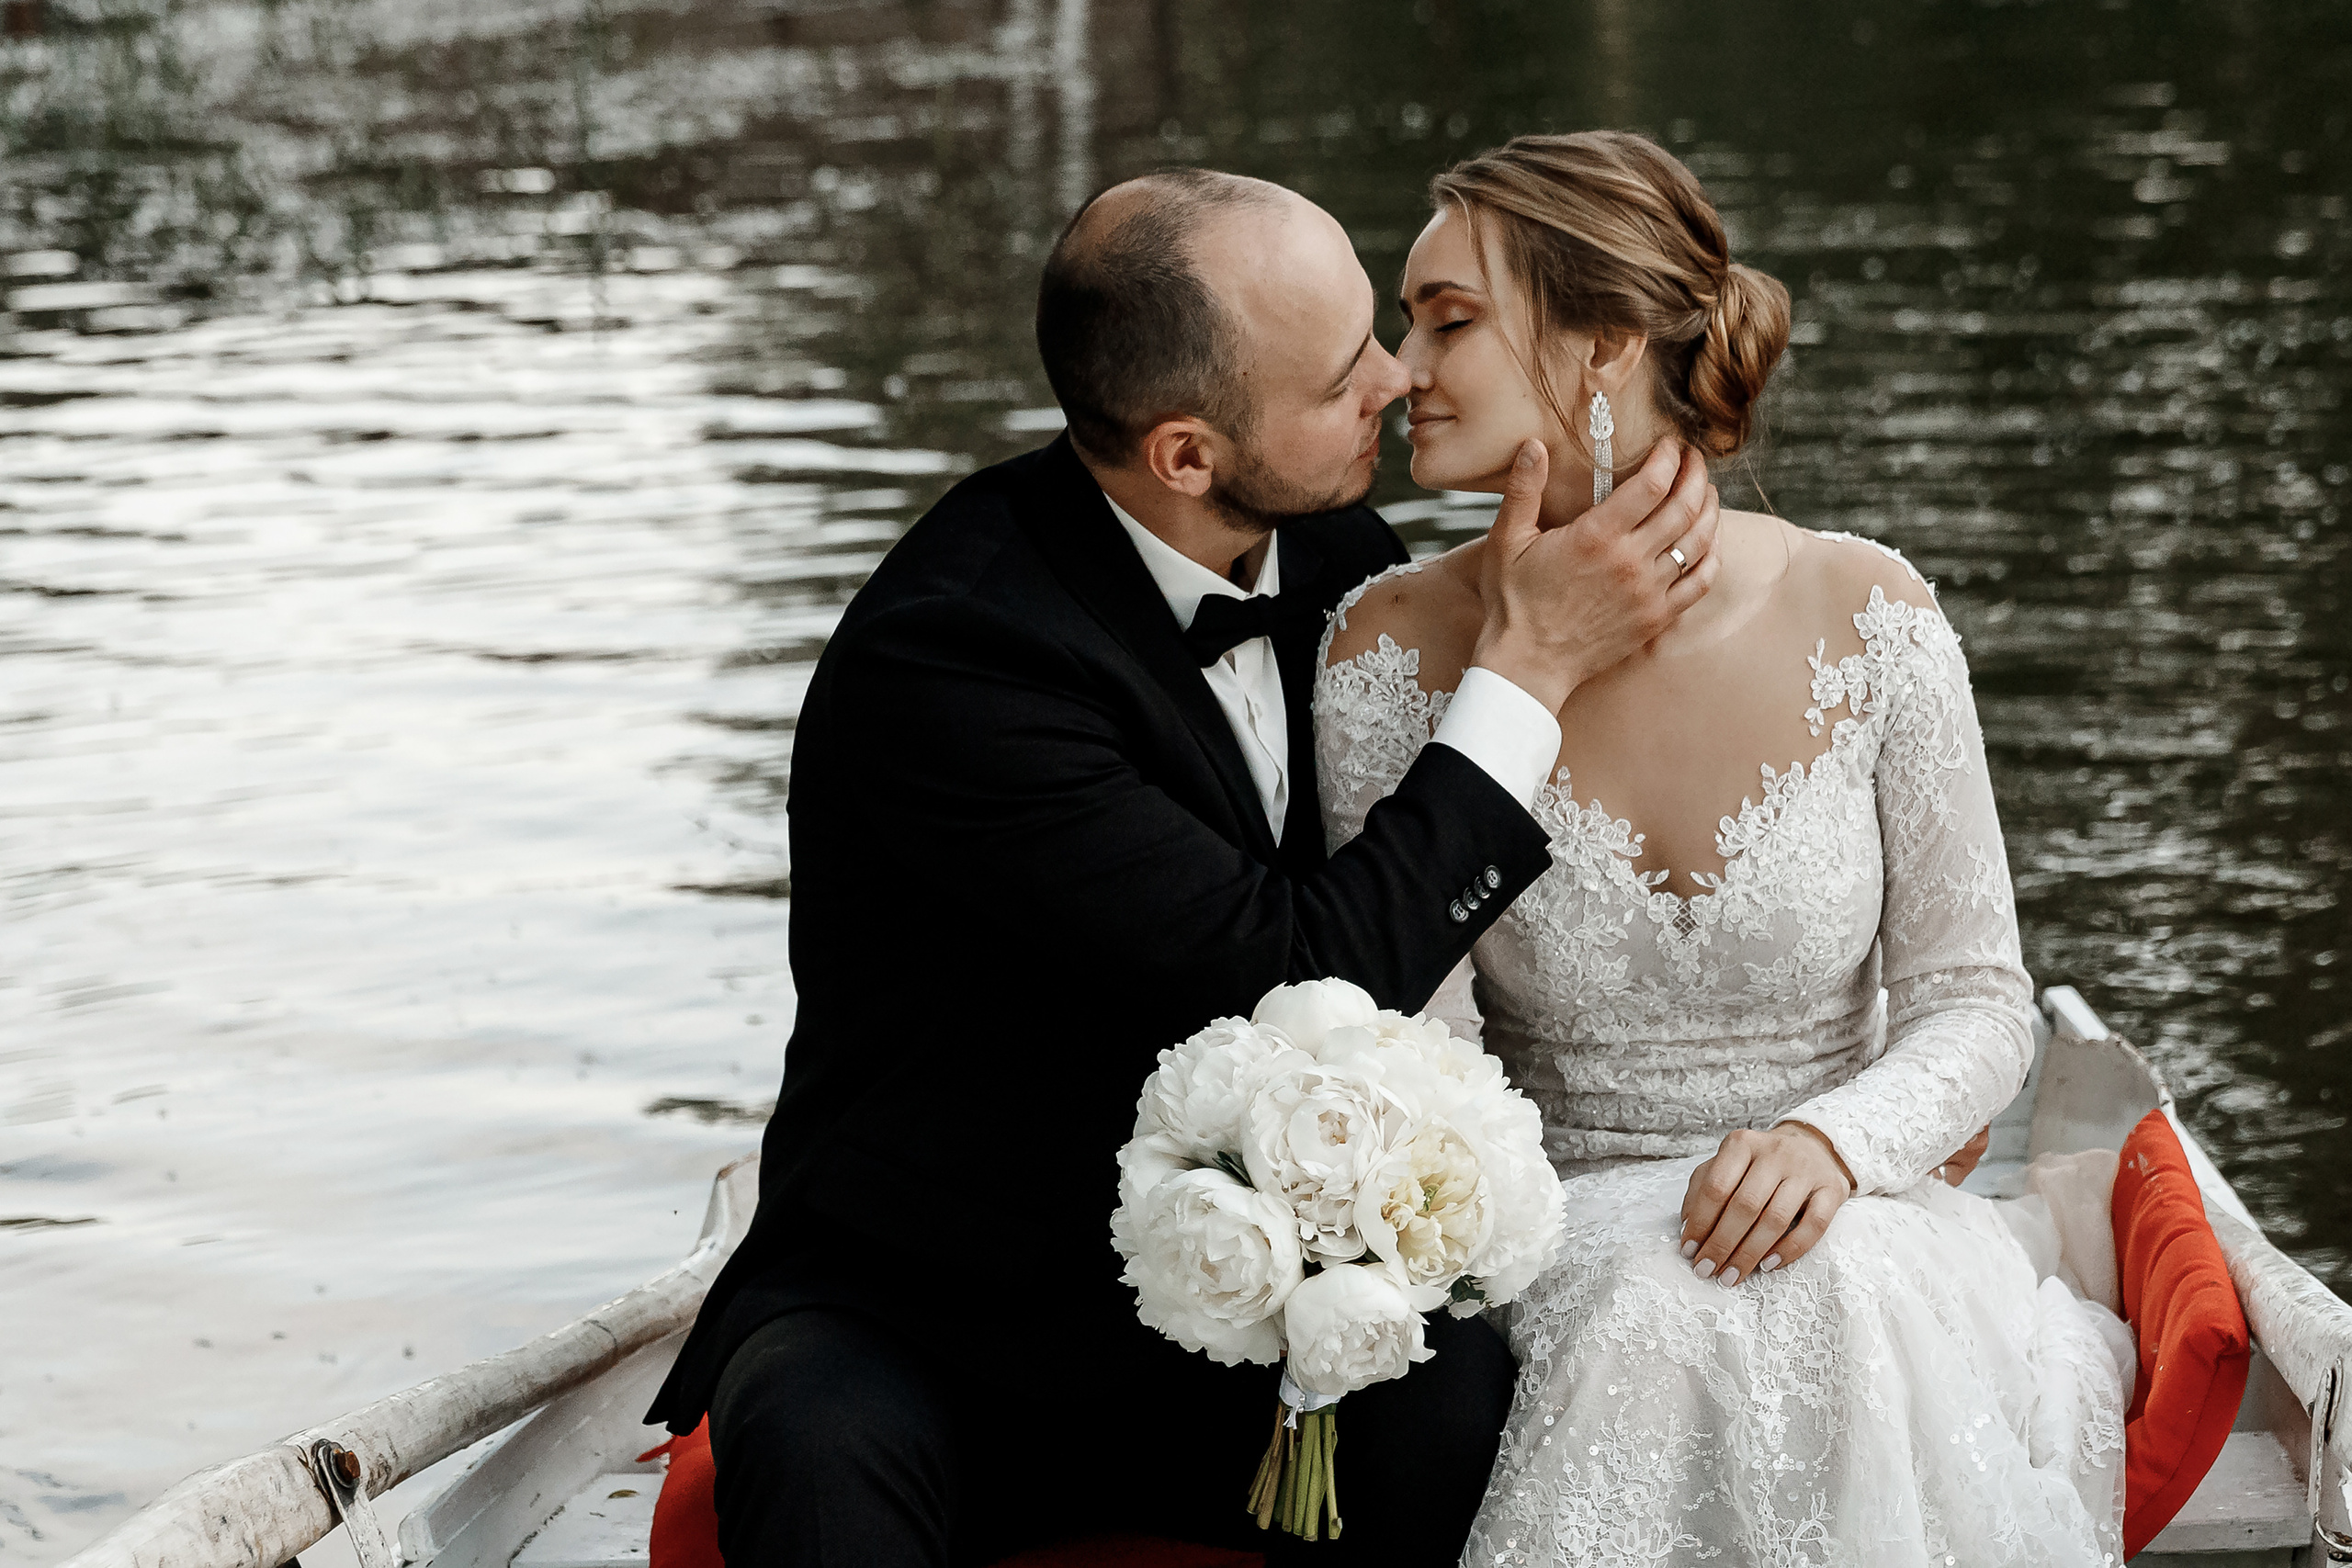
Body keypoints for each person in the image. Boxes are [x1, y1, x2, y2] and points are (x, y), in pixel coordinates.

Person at [642, 168, 1724, 1567]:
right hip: (931, 1307)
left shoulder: (1340, 550)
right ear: (1187, 457)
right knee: (811, 1451)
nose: (1396, 380)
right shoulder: (954, 659)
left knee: (1456, 1408)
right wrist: (1528, 673)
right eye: (1345, 375)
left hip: (1241, 1297)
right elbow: (1293, 969)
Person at [1315, 130, 2129, 1567]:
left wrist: (1836, 1141)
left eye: (1448, 319)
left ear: (1606, 343)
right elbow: (1416, 1059)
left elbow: (1978, 1001)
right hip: (1561, 1237)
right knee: (1654, 1311)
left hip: (1860, 1219)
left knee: (1828, 1297)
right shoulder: (1386, 652)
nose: (1402, 368)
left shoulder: (1868, 612)